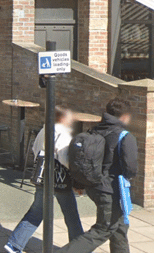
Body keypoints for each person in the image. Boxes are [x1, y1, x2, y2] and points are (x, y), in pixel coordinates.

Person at [57, 98, 138, 253]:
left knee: (119, 226)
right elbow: (131, 168)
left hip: (94, 186)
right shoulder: (125, 136)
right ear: (125, 116)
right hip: (111, 190)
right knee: (104, 229)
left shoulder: (95, 130)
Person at [5, 106, 83, 253]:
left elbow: (35, 150)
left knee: (36, 212)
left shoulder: (44, 130)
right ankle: (80, 248)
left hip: (43, 177)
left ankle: (14, 244)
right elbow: (65, 157)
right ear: (62, 118)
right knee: (71, 214)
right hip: (60, 180)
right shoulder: (62, 133)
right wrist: (76, 176)